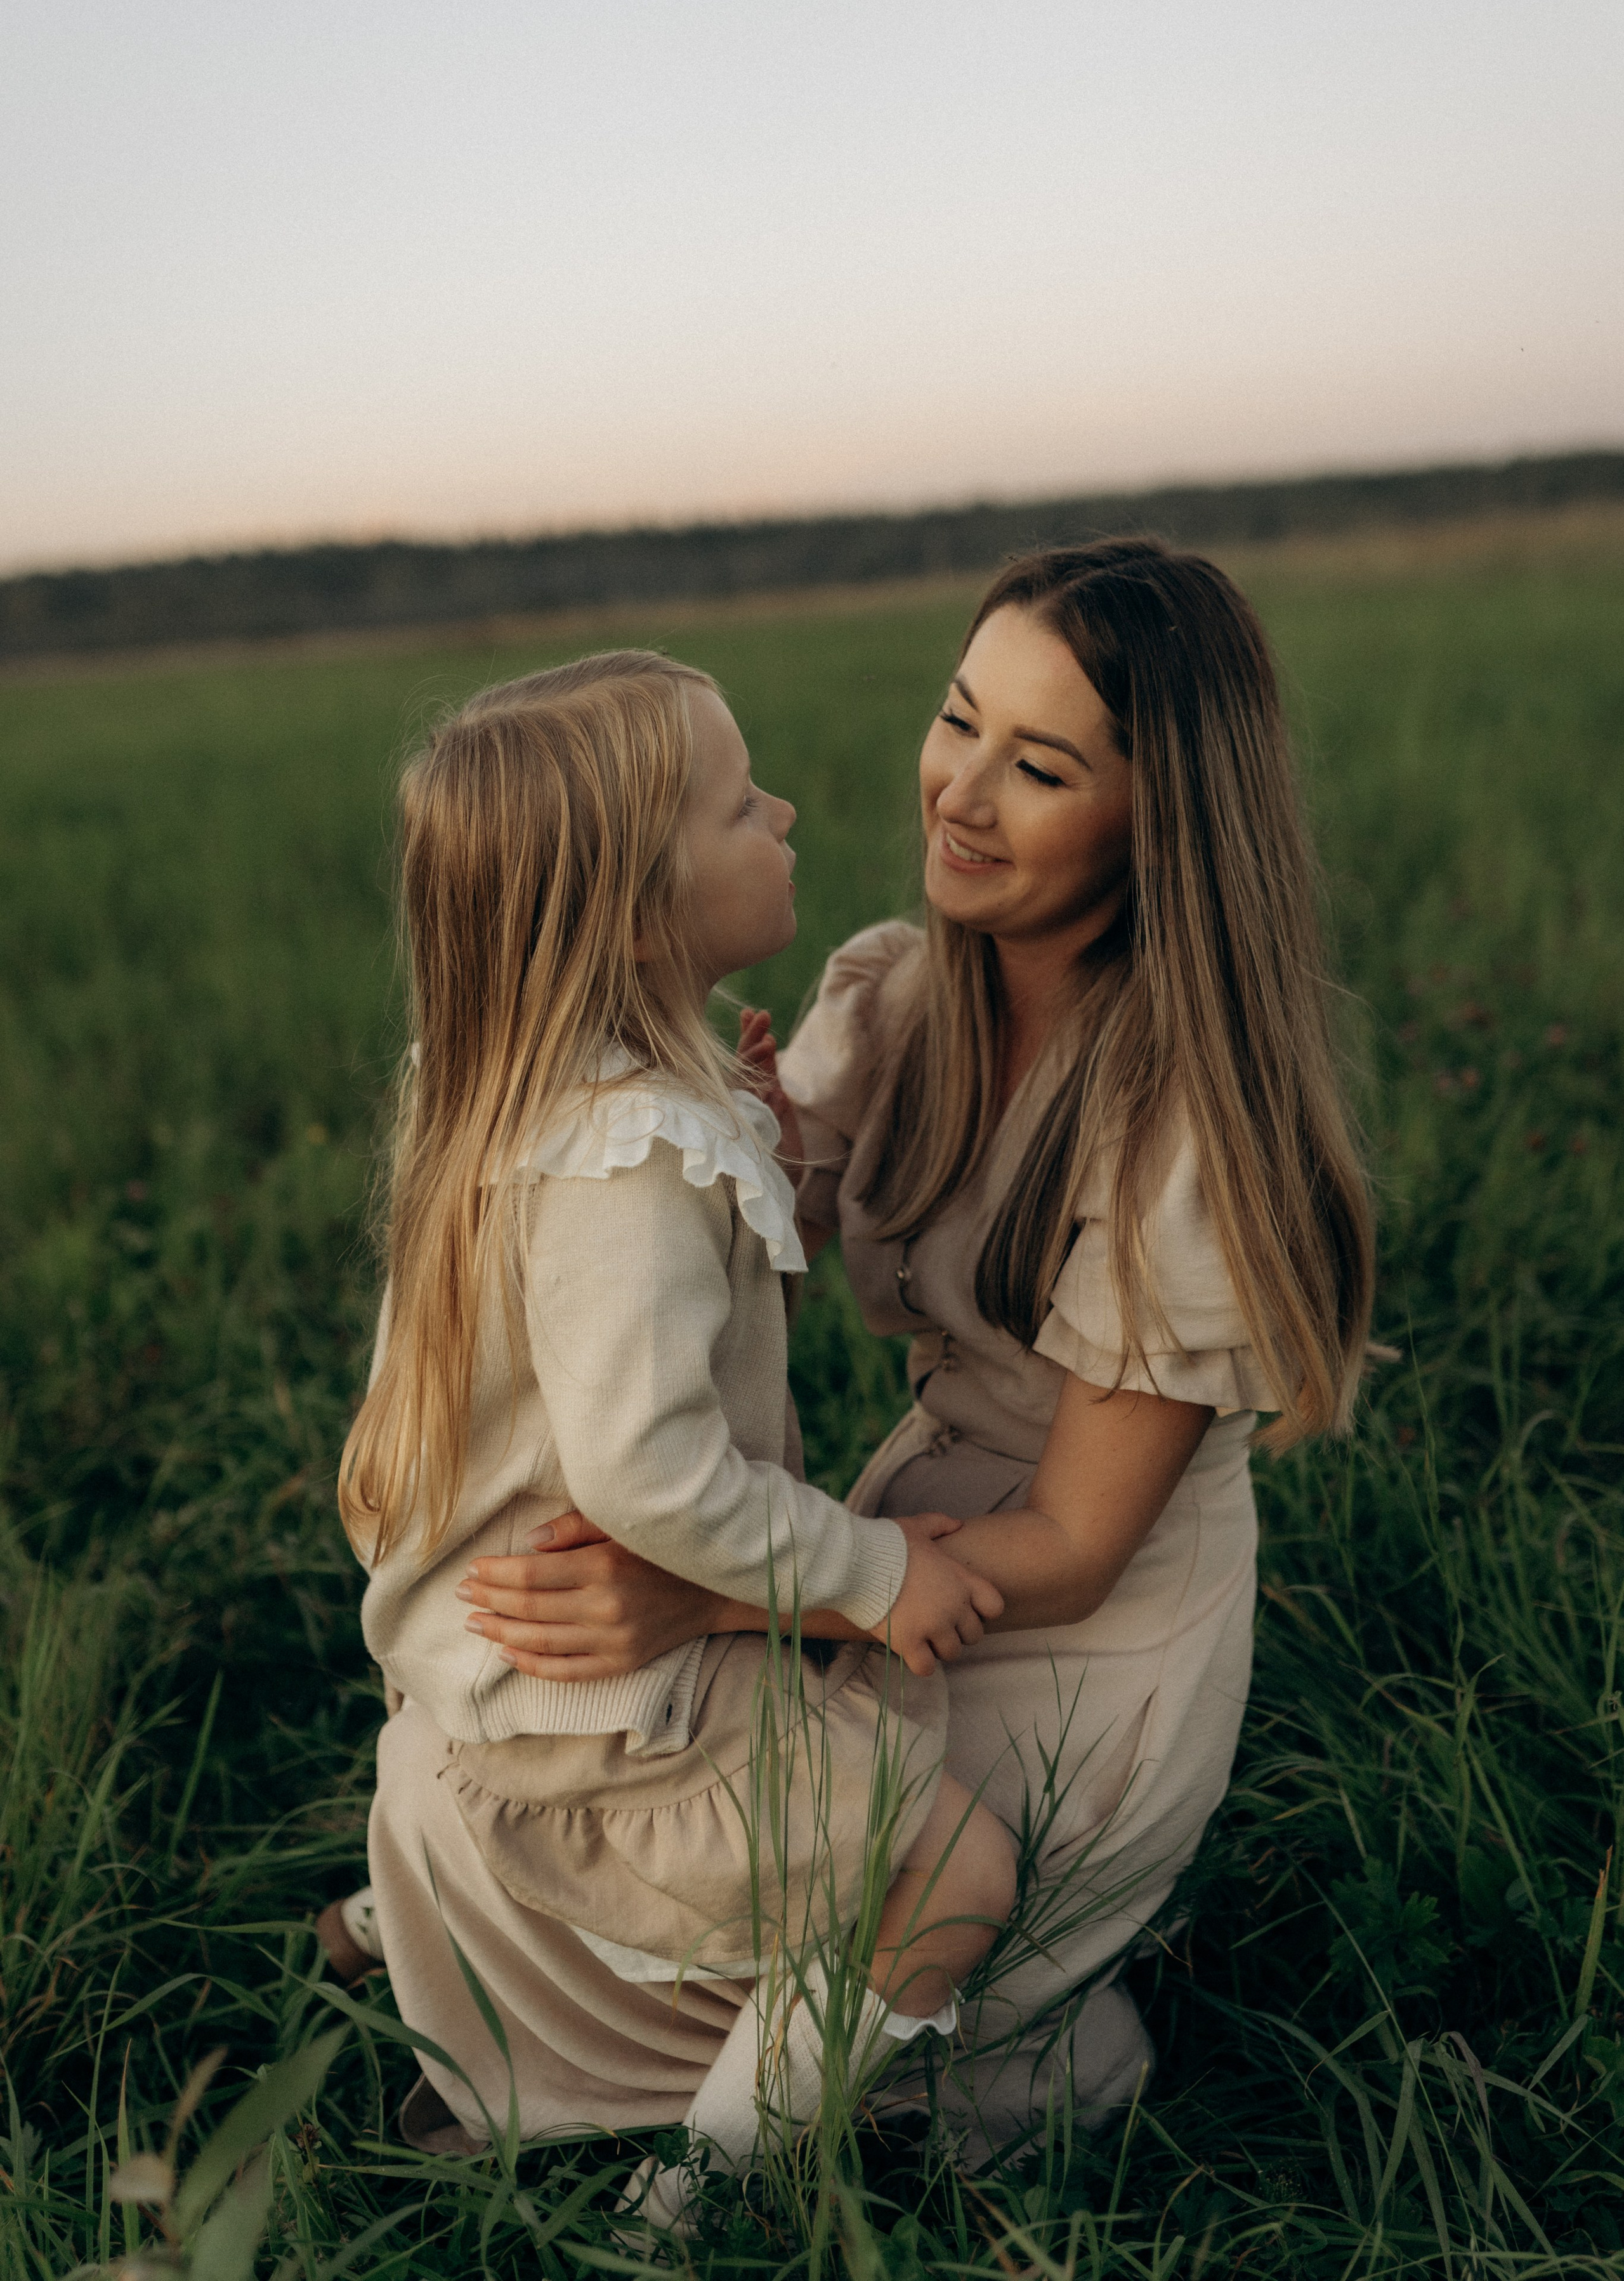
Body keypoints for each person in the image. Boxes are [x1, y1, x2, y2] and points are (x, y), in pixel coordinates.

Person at [456, 540, 1377, 2157]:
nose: (958, 792)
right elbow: (724, 1267)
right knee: (605, 1795)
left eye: (1037, 767)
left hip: (1072, 1620)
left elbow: (1081, 1549)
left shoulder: (1185, 1130)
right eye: (958, 721)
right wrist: (710, 1132)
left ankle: (740, 2182)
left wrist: (709, 1587)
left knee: (873, 1936)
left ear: (1163, 816)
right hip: (888, 1544)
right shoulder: (892, 992)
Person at [336, 651, 1016, 2207]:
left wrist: (744, 1139)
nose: (780, 812)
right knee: (962, 1872)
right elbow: (649, 1469)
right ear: (636, 913)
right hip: (599, 1695)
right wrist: (866, 1571)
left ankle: (439, 1911)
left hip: (503, 1653)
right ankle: (703, 2197)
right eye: (735, 803)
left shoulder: (517, 1087)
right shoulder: (622, 1158)